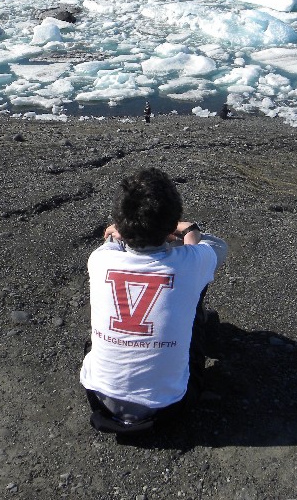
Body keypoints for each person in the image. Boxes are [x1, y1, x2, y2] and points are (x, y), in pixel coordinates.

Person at [80, 167, 228, 433]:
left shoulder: (99, 259)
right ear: (171, 222)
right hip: (168, 406)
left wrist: (119, 232)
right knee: (195, 285)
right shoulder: (190, 263)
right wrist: (188, 229)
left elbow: (111, 240)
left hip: (100, 399)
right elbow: (215, 248)